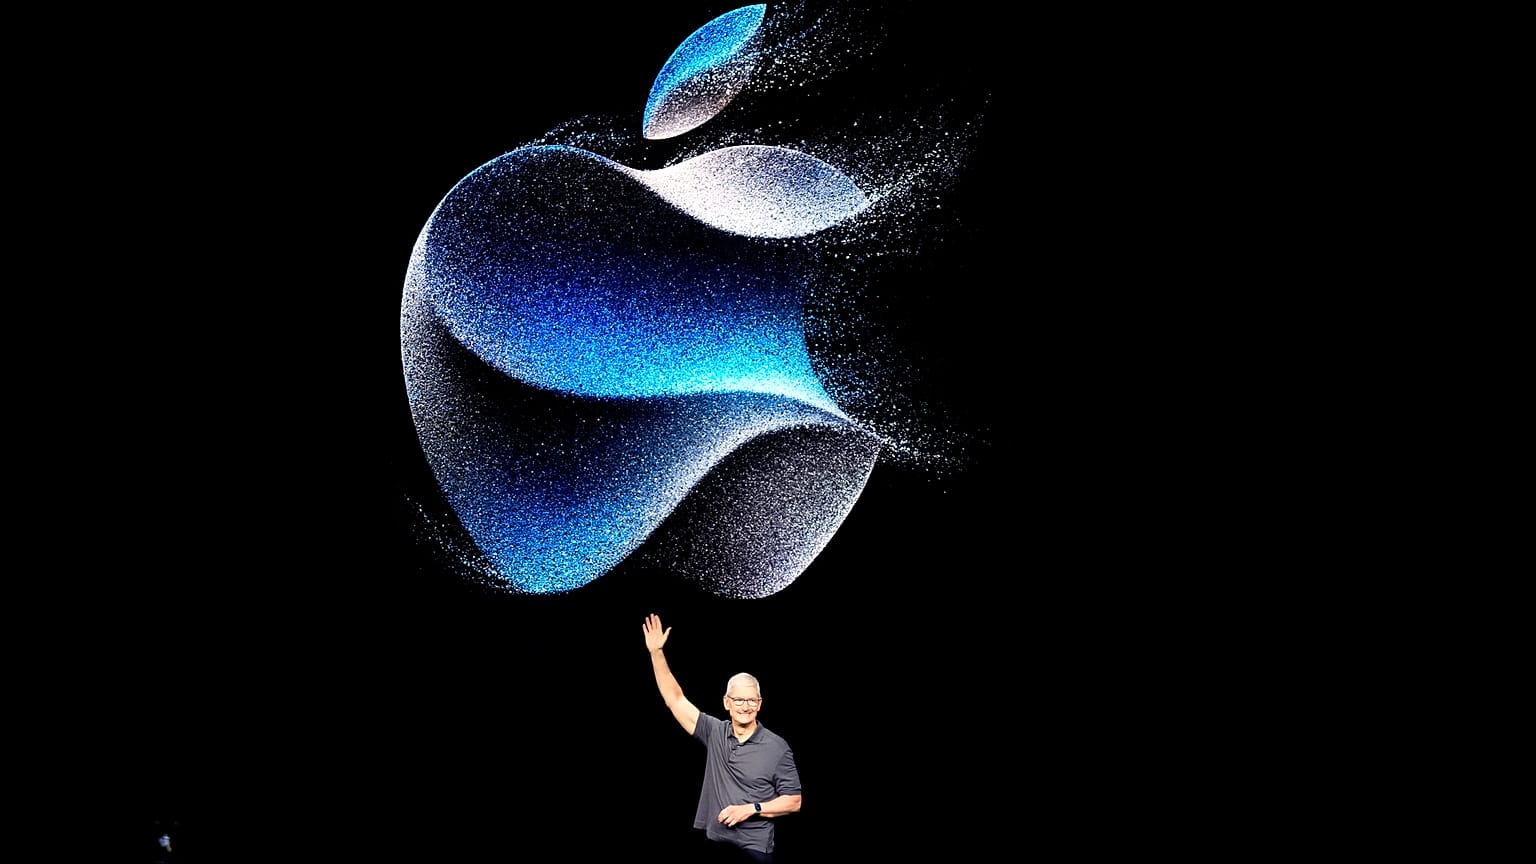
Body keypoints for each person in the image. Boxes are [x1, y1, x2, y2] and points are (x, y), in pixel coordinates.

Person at [642, 613, 802, 862]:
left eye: (751, 700)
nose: (745, 706)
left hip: (753, 850)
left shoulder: (777, 747)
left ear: (759, 704)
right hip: (715, 842)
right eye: (739, 700)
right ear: (727, 702)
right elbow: (675, 699)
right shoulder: (715, 731)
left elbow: (794, 801)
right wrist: (656, 653)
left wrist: (752, 809)